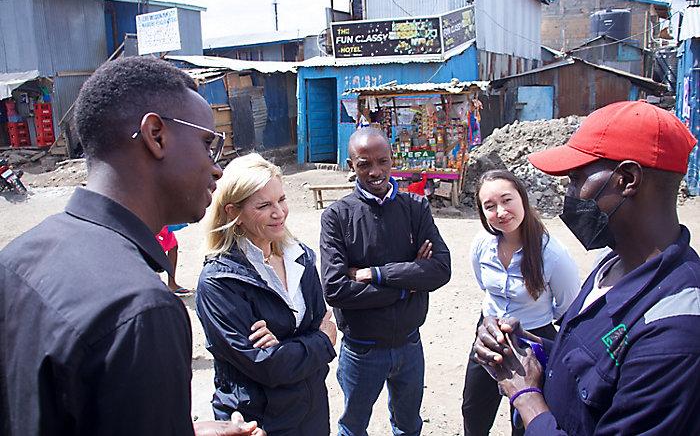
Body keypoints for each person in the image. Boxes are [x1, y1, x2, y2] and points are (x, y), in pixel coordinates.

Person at [0, 56, 264, 436]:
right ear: (156, 135)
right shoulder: (141, 309)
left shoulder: (20, 255)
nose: (217, 168)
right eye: (209, 144)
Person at [472, 100, 700, 434]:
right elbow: (589, 365)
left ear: (627, 179)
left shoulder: (675, 331)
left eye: (577, 179)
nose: (571, 195)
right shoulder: (611, 264)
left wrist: (525, 396)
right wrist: (524, 348)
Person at [320, 127, 451, 436]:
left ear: (393, 161)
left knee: (408, 426)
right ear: (351, 166)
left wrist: (375, 274)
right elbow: (336, 289)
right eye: (364, 164)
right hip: (362, 348)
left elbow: (441, 270)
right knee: (353, 426)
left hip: (410, 344)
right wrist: (408, 282)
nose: (375, 171)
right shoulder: (337, 217)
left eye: (382, 161)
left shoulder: (415, 208)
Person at [196, 153, 337, 435]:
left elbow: (320, 323)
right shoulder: (219, 283)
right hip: (256, 422)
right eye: (264, 205)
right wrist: (320, 342)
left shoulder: (300, 258)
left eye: (281, 200)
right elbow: (266, 366)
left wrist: (284, 345)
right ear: (233, 212)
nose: (279, 212)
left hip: (311, 412)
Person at [463, 169, 580, 436]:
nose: (501, 212)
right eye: (490, 206)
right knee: (474, 408)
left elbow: (566, 308)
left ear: (522, 199)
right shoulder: (482, 244)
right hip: (489, 335)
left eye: (507, 200)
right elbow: (484, 285)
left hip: (532, 338)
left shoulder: (552, 254)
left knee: (523, 417)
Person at [157, 223, 194, 296]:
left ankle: (172, 283)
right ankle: (153, 284)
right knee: (152, 249)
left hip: (163, 223)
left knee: (173, 246)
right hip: (154, 222)